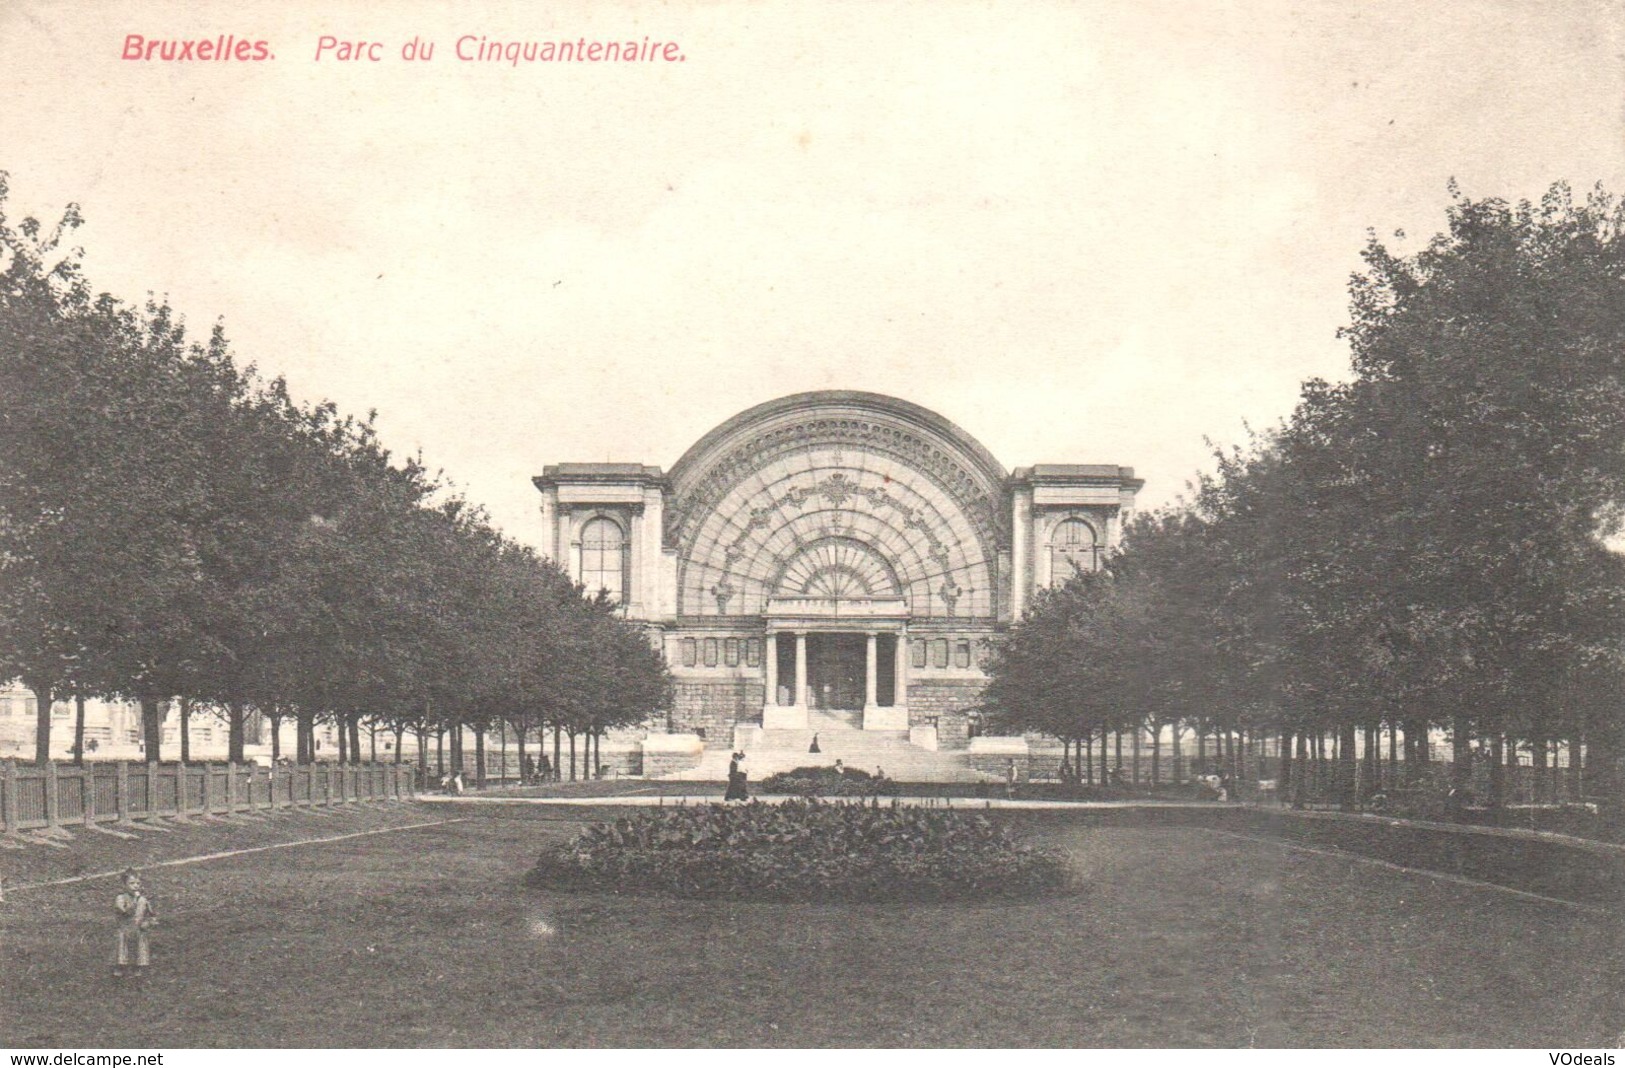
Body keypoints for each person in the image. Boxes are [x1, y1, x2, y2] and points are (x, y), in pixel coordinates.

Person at [113, 869, 157, 979]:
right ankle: (120, 969)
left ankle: (138, 970)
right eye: (132, 883)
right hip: (126, 928)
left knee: (140, 947)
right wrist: (136, 901)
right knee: (123, 948)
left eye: (138, 883)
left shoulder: (143, 899)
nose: (135, 886)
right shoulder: (121, 898)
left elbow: (151, 914)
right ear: (124, 885)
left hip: (139, 928)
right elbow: (125, 911)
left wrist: (148, 922)